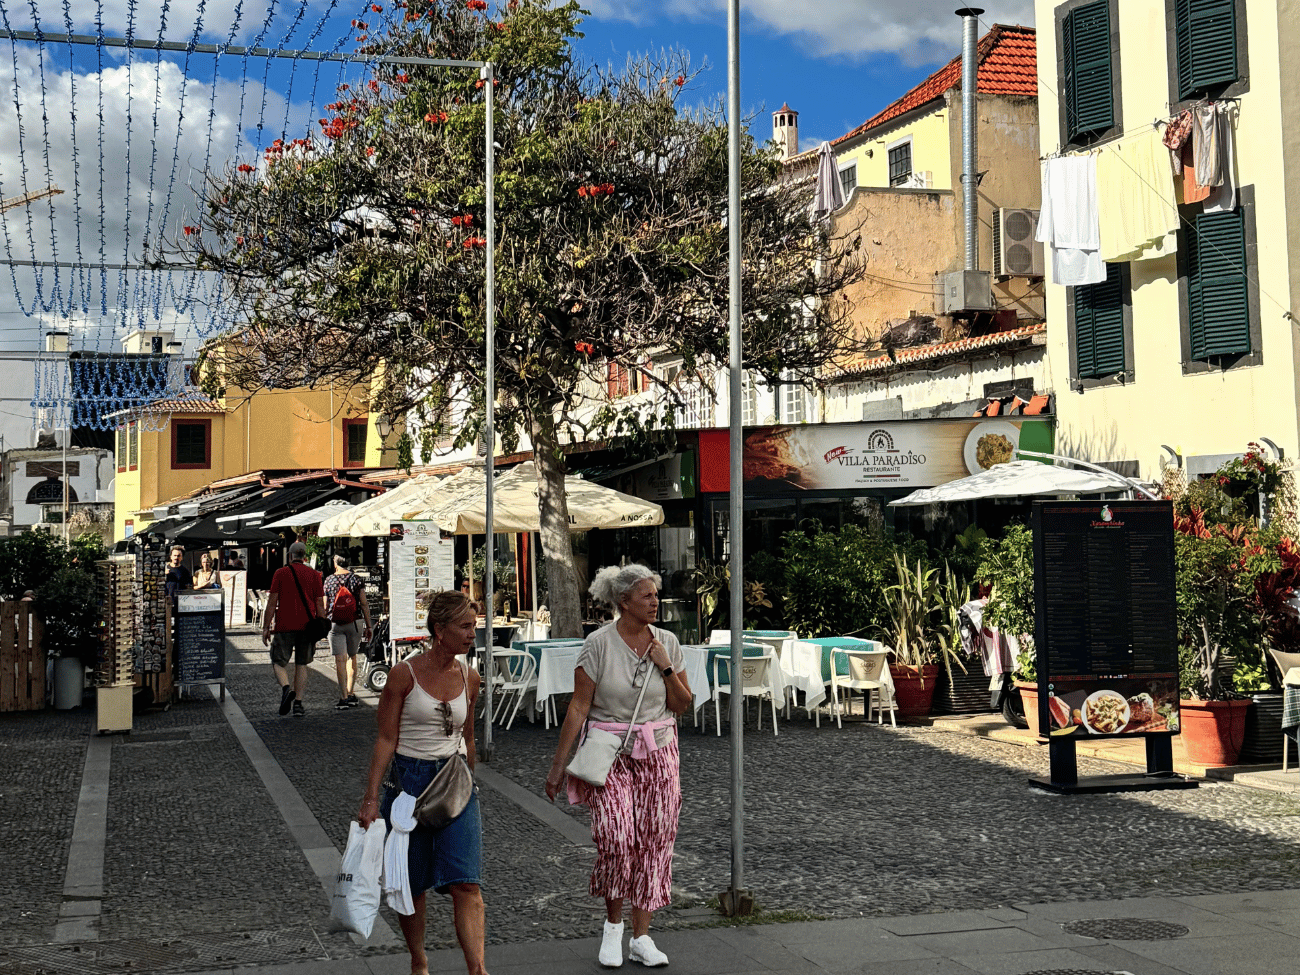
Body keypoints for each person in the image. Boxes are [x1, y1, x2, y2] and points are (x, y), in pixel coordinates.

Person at [544, 565, 691, 969]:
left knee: (656, 839)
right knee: (616, 837)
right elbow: (578, 706)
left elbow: (682, 704)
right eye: (646, 596)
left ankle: (642, 937)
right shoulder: (598, 644)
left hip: (659, 751)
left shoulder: (668, 642)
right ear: (623, 602)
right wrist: (559, 766)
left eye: (655, 595)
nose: (654, 602)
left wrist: (664, 665)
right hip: (609, 751)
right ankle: (612, 929)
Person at [357, 591, 488, 975]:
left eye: (473, 626)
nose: (471, 634)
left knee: (467, 883)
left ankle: (477, 969)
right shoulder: (404, 675)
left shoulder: (470, 676)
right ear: (439, 630)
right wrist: (369, 799)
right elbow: (385, 739)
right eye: (464, 626)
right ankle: (419, 962)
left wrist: (471, 783)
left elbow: (467, 736)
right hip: (409, 785)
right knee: (410, 884)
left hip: (454, 783)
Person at [261, 541, 326, 717]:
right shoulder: (314, 575)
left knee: (278, 662)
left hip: (284, 625)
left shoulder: (281, 573)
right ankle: (298, 703)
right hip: (308, 626)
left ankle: (286, 688)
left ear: (290, 556)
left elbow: (272, 602)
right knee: (302, 664)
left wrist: (266, 627)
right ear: (304, 556)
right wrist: (322, 625)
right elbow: (320, 603)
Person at [324, 554, 374, 710]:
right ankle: (352, 693)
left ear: (335, 563)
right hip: (355, 622)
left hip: (335, 623)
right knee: (352, 656)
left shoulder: (329, 580)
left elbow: (325, 606)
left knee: (340, 660)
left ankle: (343, 697)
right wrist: (369, 625)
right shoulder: (357, 579)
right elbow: (364, 604)